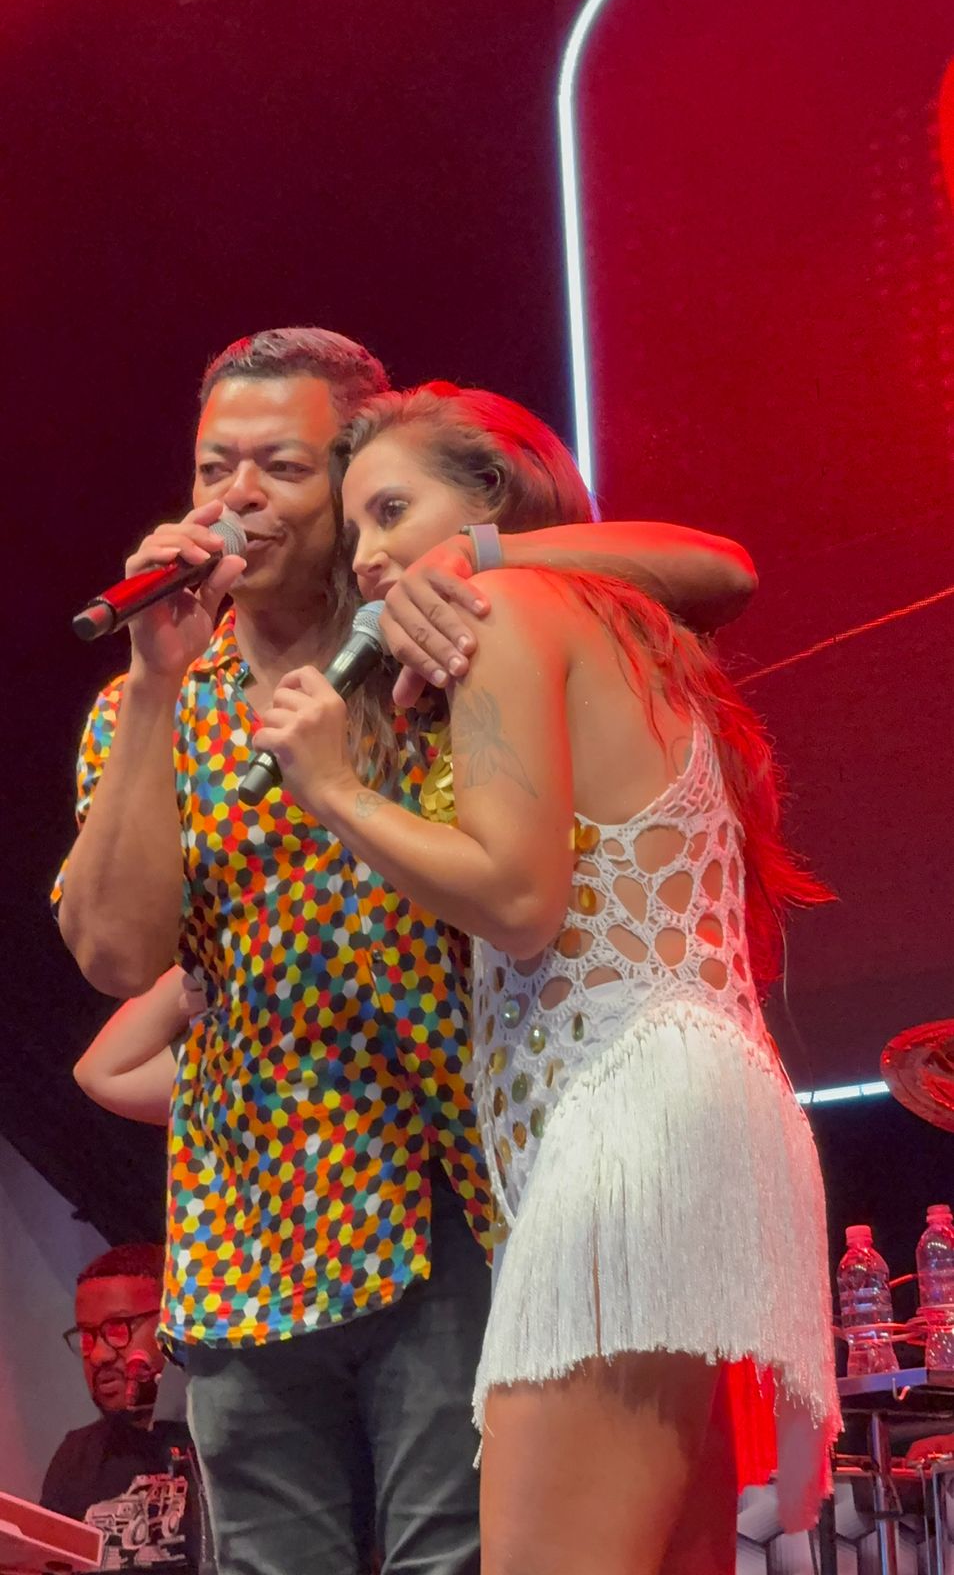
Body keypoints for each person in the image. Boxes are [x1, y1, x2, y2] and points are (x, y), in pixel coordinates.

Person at [54, 325, 758, 1575]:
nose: (236, 499)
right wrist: (155, 683)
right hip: (242, 1231)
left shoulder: (431, 640)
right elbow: (114, 955)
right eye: (216, 467)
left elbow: (711, 571)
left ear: (349, 481)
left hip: (445, 1209)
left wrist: (474, 549)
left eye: (279, 465)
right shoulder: (145, 704)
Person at [250, 382, 842, 1575]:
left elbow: (518, 905)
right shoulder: (615, 624)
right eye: (355, 527)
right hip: (695, 1107)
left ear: (490, 502)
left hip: (628, 1125)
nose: (369, 557)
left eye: (392, 511)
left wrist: (332, 787)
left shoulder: (509, 602)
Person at [42, 1244, 206, 1574]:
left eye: (118, 1329)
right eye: (87, 1336)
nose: (99, 1355)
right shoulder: (75, 1457)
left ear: (171, 1324)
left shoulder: (219, 1441)